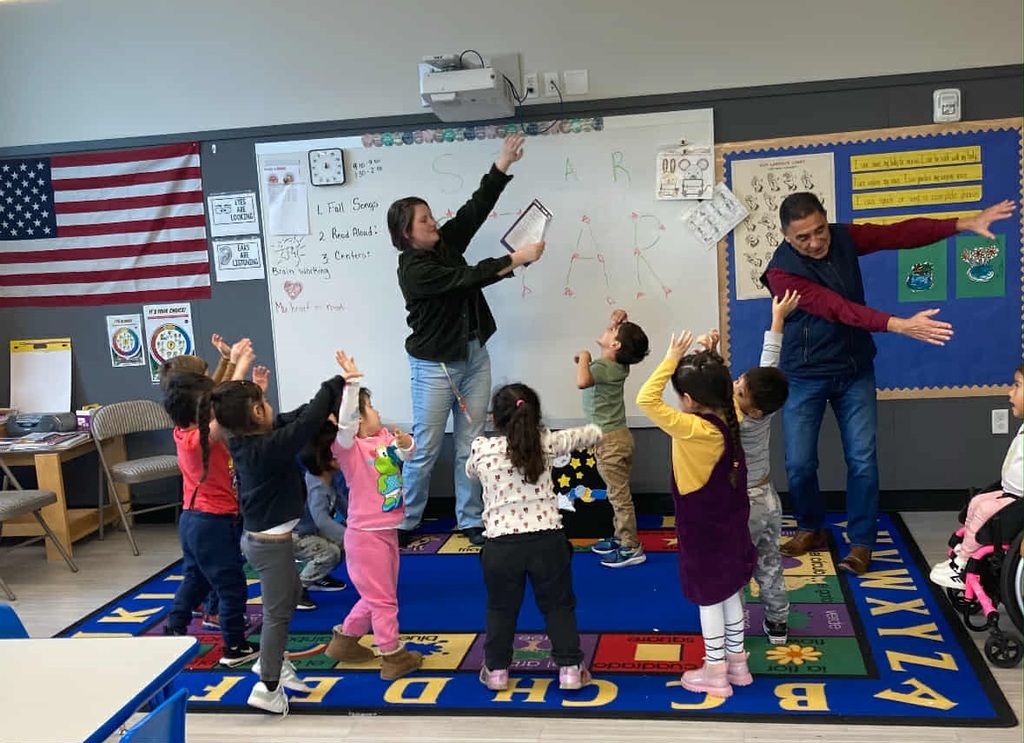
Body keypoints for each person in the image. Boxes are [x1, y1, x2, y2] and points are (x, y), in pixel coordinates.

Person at [762, 192, 1017, 575]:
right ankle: (812, 527)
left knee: (862, 459)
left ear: (826, 220)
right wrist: (899, 324)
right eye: (803, 238)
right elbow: (835, 308)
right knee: (799, 463)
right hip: (806, 372)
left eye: (820, 231)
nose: (815, 243)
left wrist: (962, 224)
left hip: (854, 369)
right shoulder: (781, 273)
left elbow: (897, 234)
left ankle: (862, 542)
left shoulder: (843, 237)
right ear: (785, 236)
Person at [389, 132, 546, 547]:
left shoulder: (443, 246)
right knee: (423, 449)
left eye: (430, 216)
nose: (433, 222)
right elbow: (468, 277)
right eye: (423, 220)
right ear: (407, 234)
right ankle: (406, 521)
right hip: (434, 367)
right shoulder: (415, 270)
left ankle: (470, 518)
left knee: (471, 445)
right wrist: (516, 258)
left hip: (474, 356)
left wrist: (502, 165)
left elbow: (474, 212)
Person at [201, 356, 346, 715]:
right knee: (278, 616)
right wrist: (337, 383)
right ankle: (267, 686)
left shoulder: (249, 440)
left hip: (262, 541)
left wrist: (321, 407)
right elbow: (306, 422)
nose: (270, 408)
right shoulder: (266, 448)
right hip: (271, 546)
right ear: (253, 415)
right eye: (264, 404)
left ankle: (273, 661)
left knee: (290, 595)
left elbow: (293, 419)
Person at [637, 333, 756, 698]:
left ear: (688, 400)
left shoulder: (692, 427)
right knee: (731, 591)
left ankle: (715, 671)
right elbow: (719, 385)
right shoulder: (730, 414)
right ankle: (738, 664)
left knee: (708, 599)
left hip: (702, 531)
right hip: (733, 525)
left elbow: (645, 399)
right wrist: (711, 353)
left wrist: (672, 357)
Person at [466, 383, 602, 691]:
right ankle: (569, 670)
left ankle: (497, 672)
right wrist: (601, 426)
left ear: (495, 418)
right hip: (547, 542)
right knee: (558, 607)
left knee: (500, 608)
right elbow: (589, 434)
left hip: (500, 546)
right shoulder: (547, 442)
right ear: (534, 413)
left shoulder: (481, 448)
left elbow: (470, 472)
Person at [696, 290, 798, 645]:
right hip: (769, 499)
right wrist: (777, 319)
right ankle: (778, 624)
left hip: (745, 505)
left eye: (739, 388)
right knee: (770, 561)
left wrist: (709, 352)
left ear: (751, 408)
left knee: (735, 566)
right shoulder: (764, 407)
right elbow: (770, 363)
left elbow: (711, 392)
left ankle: (731, 631)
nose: (736, 383)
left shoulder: (736, 417)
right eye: (739, 379)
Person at [324, 351, 422, 681]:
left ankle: (345, 641)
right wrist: (352, 385)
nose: (377, 412)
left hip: (387, 531)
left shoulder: (382, 439)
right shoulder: (348, 449)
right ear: (356, 419)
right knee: (383, 601)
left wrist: (406, 443)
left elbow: (407, 455)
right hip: (365, 536)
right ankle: (393, 655)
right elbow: (346, 422)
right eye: (371, 408)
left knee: (380, 594)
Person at [160, 338, 256, 667]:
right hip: (212, 523)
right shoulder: (200, 437)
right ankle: (234, 647)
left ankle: (174, 629)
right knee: (231, 585)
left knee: (196, 579)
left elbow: (215, 398)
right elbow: (225, 405)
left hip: (192, 520)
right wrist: (240, 366)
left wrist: (230, 363)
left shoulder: (182, 430)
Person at [930, 362, 1023, 588]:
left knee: (984, 509)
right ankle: (963, 552)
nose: (1010, 392)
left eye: (1017, 386)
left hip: (1019, 501)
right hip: (1010, 492)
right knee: (978, 501)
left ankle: (962, 564)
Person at [576, 308, 650, 567]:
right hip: (618, 438)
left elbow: (583, 381)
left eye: (611, 330)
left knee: (619, 497)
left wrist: (584, 357)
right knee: (617, 493)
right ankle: (621, 537)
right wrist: (618, 325)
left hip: (609, 442)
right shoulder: (618, 366)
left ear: (616, 344)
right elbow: (615, 347)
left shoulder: (602, 367)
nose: (607, 328)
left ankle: (631, 547)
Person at [293, 419, 350, 611]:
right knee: (331, 552)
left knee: (343, 543)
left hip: (311, 531)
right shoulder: (316, 486)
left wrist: (357, 523)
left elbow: (341, 501)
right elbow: (322, 520)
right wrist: (351, 537)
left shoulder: (327, 477)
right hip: (296, 537)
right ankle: (297, 589)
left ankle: (319, 577)